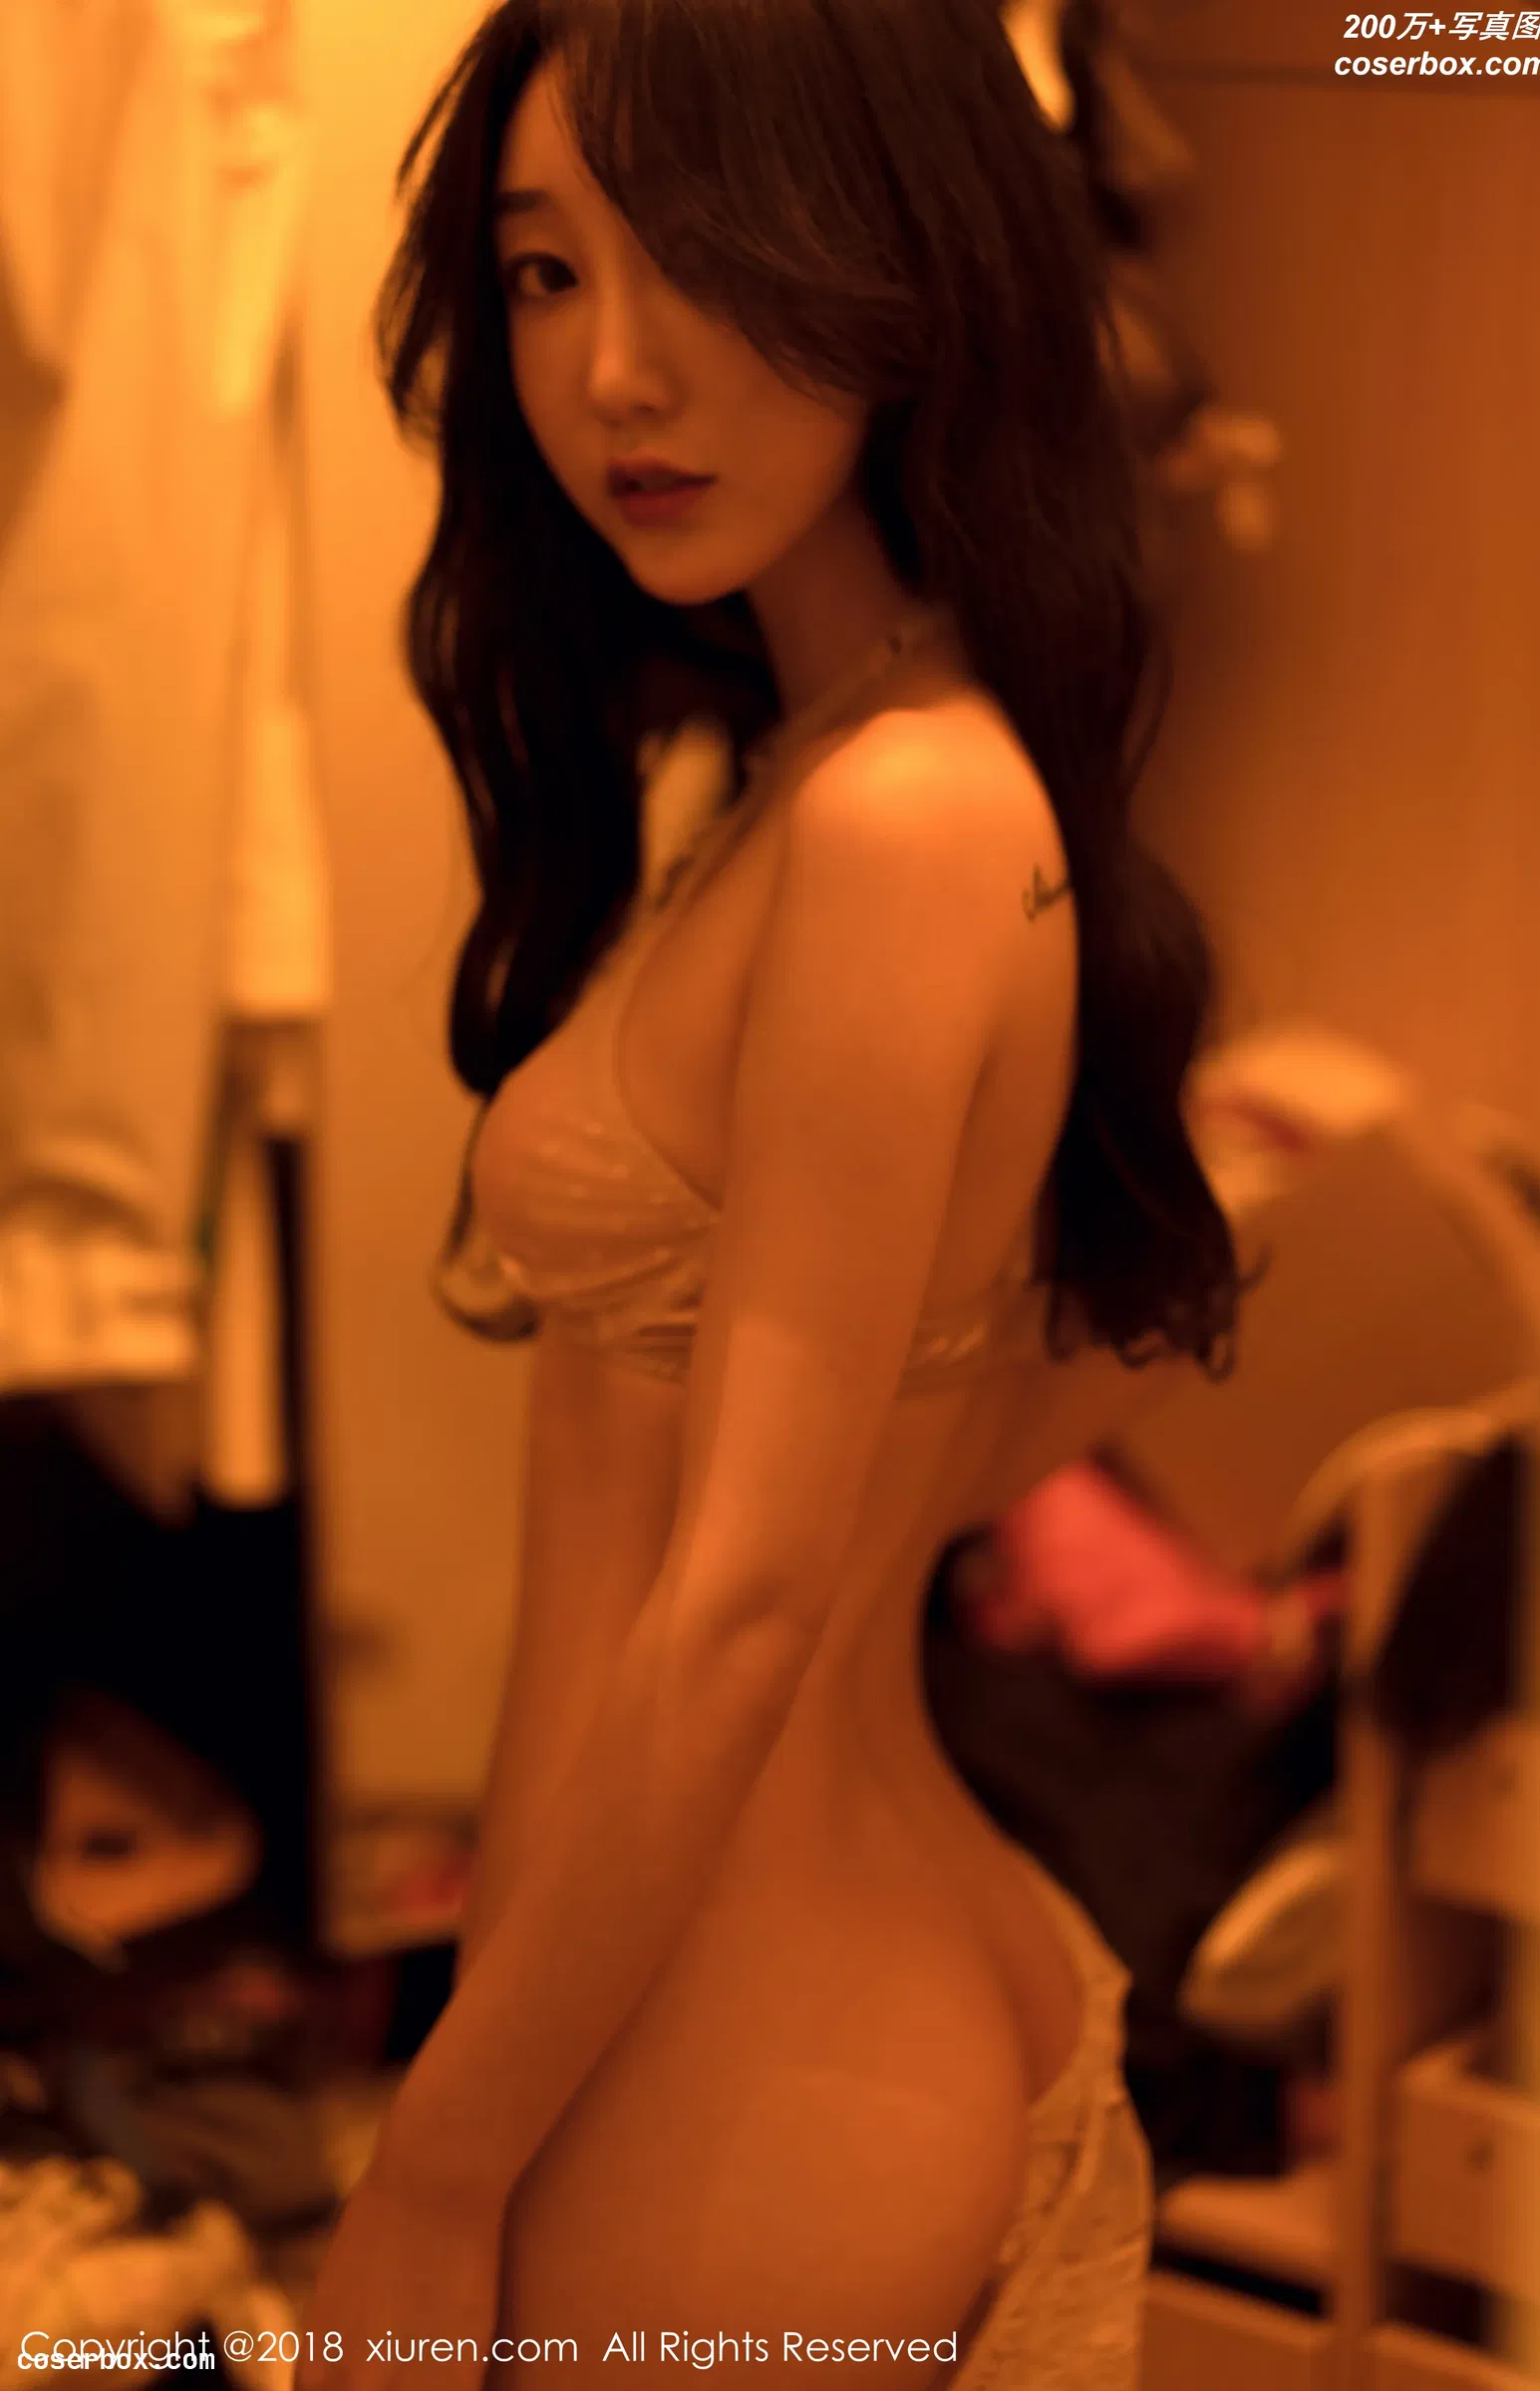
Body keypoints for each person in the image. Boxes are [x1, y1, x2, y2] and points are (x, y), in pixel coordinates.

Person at [297, 0, 1243, 2382]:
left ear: (900, 265)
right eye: (543, 272)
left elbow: (739, 1602)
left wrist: (429, 2173)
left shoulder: (902, 815)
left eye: (703, 255)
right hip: (759, 1978)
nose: (613, 369)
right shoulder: (834, 769)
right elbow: (929, 1437)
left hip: (756, 2043)